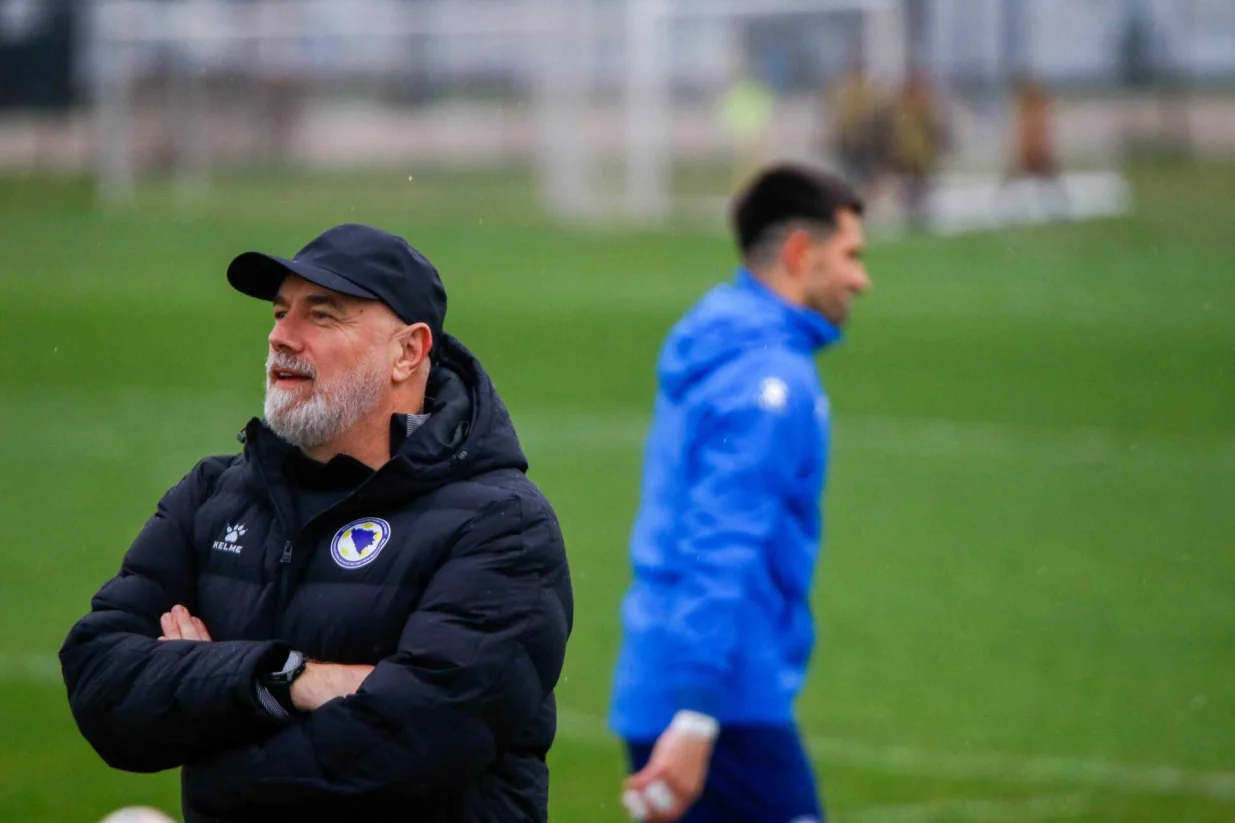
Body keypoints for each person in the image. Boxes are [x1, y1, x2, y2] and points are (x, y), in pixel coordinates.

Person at [60, 224, 574, 823]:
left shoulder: (501, 524)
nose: (282, 336)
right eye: (280, 313)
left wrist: (205, 717)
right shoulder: (215, 495)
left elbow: (414, 743)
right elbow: (100, 679)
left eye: (322, 316)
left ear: (407, 352)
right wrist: (282, 680)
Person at [610, 166, 871, 823]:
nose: (859, 279)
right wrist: (697, 714)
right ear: (797, 253)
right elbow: (720, 544)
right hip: (719, 697)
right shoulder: (767, 380)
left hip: (676, 675)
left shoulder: (719, 337)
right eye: (849, 256)